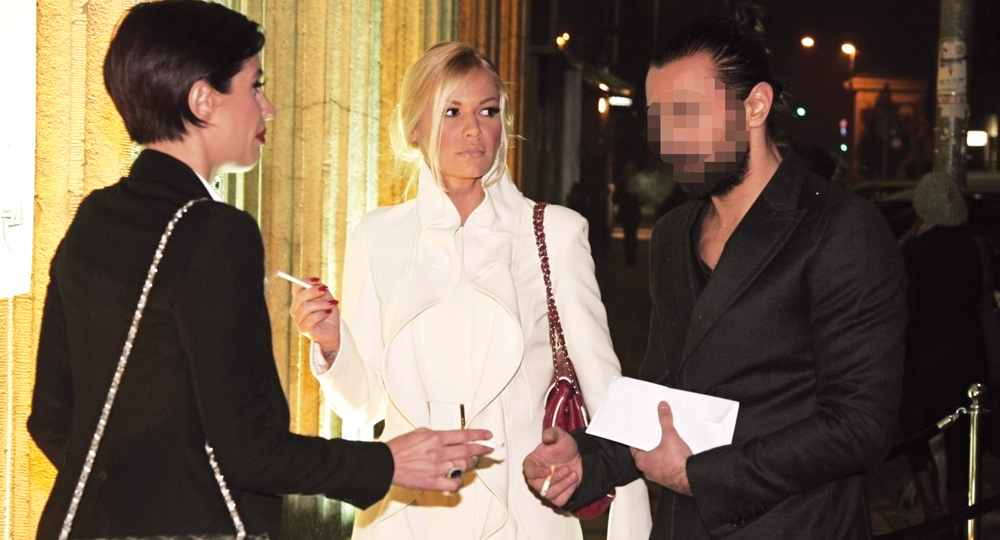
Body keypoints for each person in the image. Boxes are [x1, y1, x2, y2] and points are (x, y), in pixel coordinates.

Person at [27, 2, 490, 538]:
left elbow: (51, 418)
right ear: (203, 100)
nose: (267, 107)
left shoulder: (95, 216)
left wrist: (141, 494)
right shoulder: (216, 232)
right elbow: (249, 450)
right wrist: (387, 463)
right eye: (255, 86)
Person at [523, 4, 907, 539]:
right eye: (659, 118)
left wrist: (700, 476)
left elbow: (860, 425)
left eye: (688, 113)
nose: (669, 139)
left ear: (755, 106)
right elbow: (661, 391)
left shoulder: (840, 228)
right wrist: (588, 460)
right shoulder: (673, 233)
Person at [290, 42, 651, 539]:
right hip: (408, 510)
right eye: (451, 111)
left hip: (522, 509)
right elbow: (365, 406)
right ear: (414, 127)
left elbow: (607, 393)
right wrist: (333, 345)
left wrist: (632, 528)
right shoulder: (377, 235)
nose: (473, 130)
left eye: (488, 111)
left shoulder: (553, 233)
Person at [900, 172, 991, 520]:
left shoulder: (917, 250)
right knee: (962, 441)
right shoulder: (976, 248)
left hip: (924, 358)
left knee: (915, 432)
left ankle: (934, 512)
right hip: (969, 356)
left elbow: (908, 308)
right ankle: (958, 517)